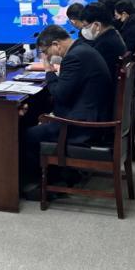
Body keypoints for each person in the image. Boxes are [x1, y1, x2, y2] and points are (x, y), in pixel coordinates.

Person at [23, 25, 112, 193]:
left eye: (46, 52)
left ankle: (51, 182)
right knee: (39, 119)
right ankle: (58, 174)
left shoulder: (74, 57)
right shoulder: (82, 49)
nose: (47, 56)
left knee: (27, 135)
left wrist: (48, 70)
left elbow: (60, 95)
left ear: (56, 44)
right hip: (92, 114)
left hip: (82, 125)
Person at [80, 2, 127, 86]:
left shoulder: (105, 45)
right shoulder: (113, 34)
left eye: (85, 26)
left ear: (97, 25)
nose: (84, 30)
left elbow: (88, 72)